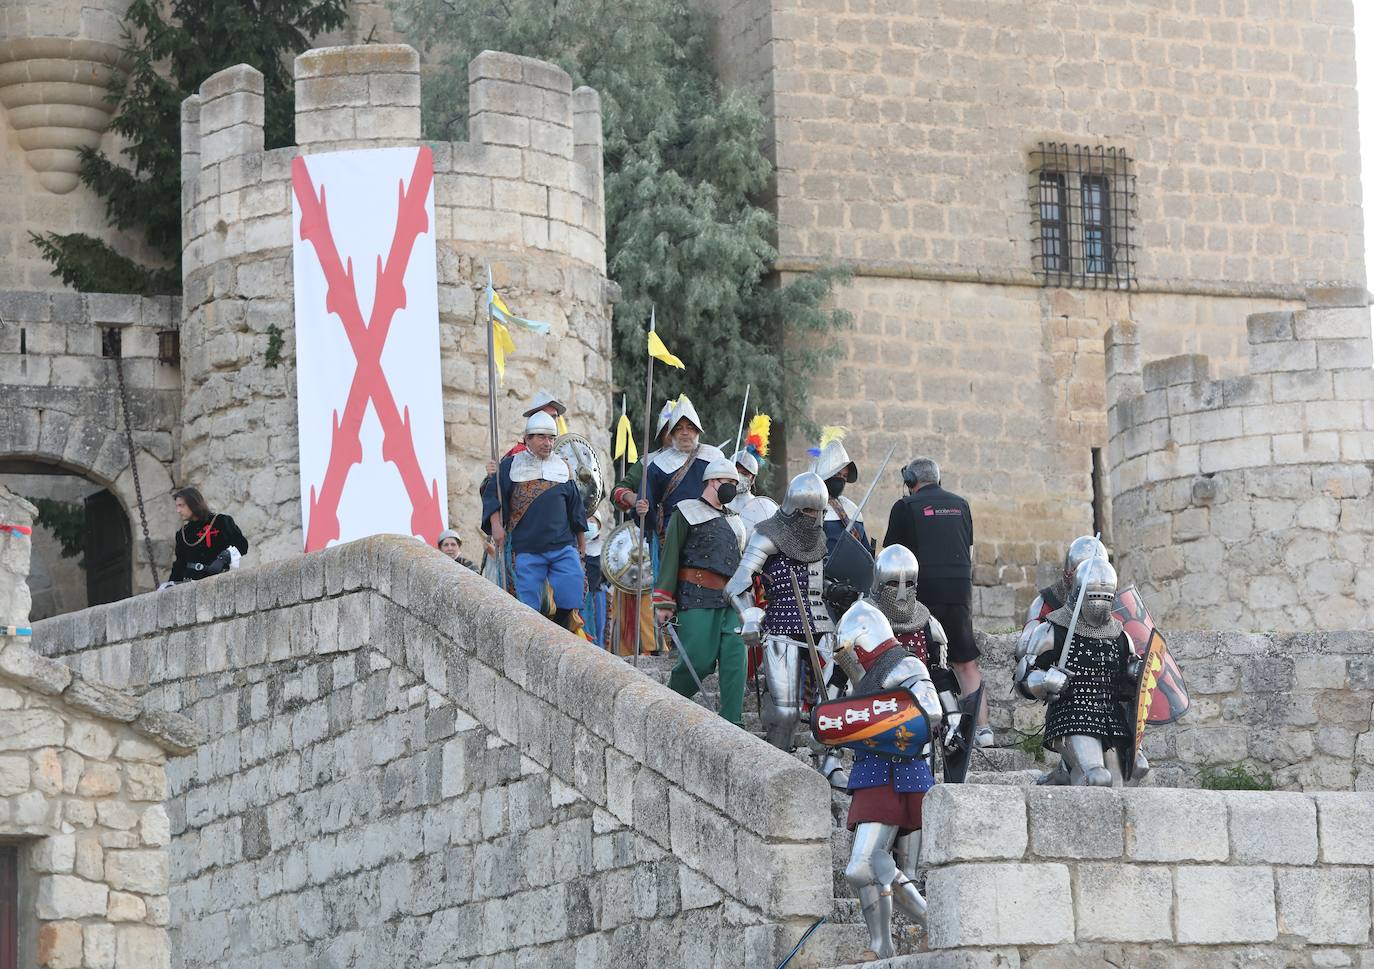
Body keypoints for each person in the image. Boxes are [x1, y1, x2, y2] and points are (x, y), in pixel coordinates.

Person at [829, 599, 943, 962]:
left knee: (862, 867)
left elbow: (931, 712)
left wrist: (879, 715)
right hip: (871, 773)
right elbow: (843, 723)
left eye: (849, 650)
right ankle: (883, 944)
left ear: (863, 640)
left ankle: (929, 925)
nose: (847, 659)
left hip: (902, 772)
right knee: (869, 870)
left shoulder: (904, 664)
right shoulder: (862, 680)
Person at [726, 471, 846, 787]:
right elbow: (738, 585)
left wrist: (838, 591)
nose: (814, 518)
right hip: (782, 628)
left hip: (822, 629)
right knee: (785, 710)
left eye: (819, 512)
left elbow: (817, 586)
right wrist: (750, 616)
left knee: (832, 703)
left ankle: (831, 762)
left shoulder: (820, 538)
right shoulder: (767, 535)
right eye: (808, 511)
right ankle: (774, 769)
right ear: (793, 507)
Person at [883, 457, 991, 747]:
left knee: (922, 657)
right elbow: (966, 547)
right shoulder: (962, 504)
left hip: (924, 592)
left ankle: (926, 726)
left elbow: (892, 555)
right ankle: (983, 731)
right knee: (965, 661)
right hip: (960, 590)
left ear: (910, 482)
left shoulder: (904, 507)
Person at [1014, 557, 1147, 786]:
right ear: (1078, 591)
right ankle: (1069, 773)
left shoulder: (1121, 636)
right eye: (1093, 595)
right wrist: (1045, 680)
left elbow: (1126, 689)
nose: (1099, 603)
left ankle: (1064, 772)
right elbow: (1024, 676)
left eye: (1105, 597)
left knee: (1124, 781)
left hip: (1111, 718)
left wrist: (1135, 674)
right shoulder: (1052, 630)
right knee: (1096, 778)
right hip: (1073, 714)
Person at [654, 457, 748, 724]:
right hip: (695, 596)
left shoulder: (736, 521)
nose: (731, 486)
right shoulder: (686, 511)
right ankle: (666, 709)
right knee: (699, 660)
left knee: (735, 656)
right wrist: (663, 601)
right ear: (711, 481)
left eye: (734, 482)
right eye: (727, 481)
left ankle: (733, 722)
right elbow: (670, 556)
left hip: (731, 601)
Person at [481, 411, 588, 629]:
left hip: (562, 546)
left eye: (551, 438)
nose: (547, 443)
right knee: (528, 608)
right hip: (526, 549)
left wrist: (582, 546)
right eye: (541, 437)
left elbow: (576, 510)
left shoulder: (564, 468)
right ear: (528, 438)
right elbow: (493, 495)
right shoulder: (511, 466)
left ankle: (560, 628)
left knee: (572, 589)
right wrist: (495, 526)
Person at [169, 486, 248, 583]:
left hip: (218, 581)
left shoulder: (221, 521)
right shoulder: (182, 534)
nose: (178, 510)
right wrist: (171, 584)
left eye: (181, 505)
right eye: (177, 506)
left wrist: (223, 558)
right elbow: (179, 565)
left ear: (193, 503)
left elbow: (242, 545)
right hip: (189, 584)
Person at [1026, 535, 1109, 623]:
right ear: (1069, 571)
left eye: (1096, 572)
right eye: (1082, 571)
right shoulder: (1044, 605)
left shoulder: (1109, 602)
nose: (1091, 578)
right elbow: (1033, 636)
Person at [814, 437, 871, 556]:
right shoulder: (810, 506)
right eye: (837, 474)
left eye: (845, 476)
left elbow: (865, 550)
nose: (841, 479)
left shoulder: (852, 509)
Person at [726, 447, 778, 534]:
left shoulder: (760, 507)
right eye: (736, 471)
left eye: (745, 473)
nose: (739, 476)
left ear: (753, 478)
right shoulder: (718, 501)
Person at [582, 510, 608, 647]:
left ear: (598, 525)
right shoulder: (574, 549)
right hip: (581, 596)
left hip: (598, 594)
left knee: (599, 626)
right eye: (586, 520)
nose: (588, 524)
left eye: (592, 521)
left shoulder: (604, 548)